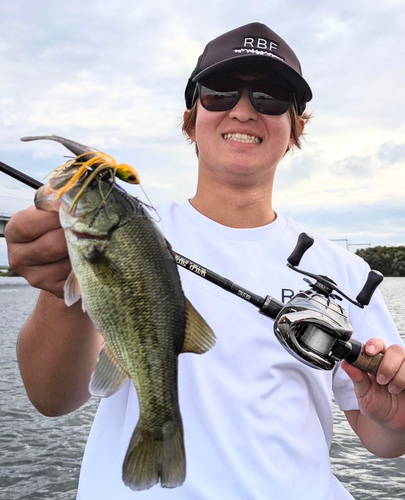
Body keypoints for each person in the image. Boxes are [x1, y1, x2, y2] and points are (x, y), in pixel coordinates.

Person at [5, 22, 405, 500]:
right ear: (191, 119)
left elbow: (381, 437)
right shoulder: (136, 230)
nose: (242, 109)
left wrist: (393, 419)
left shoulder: (346, 274)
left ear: (297, 126)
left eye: (271, 96)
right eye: (219, 93)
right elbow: (51, 399)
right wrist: (60, 289)